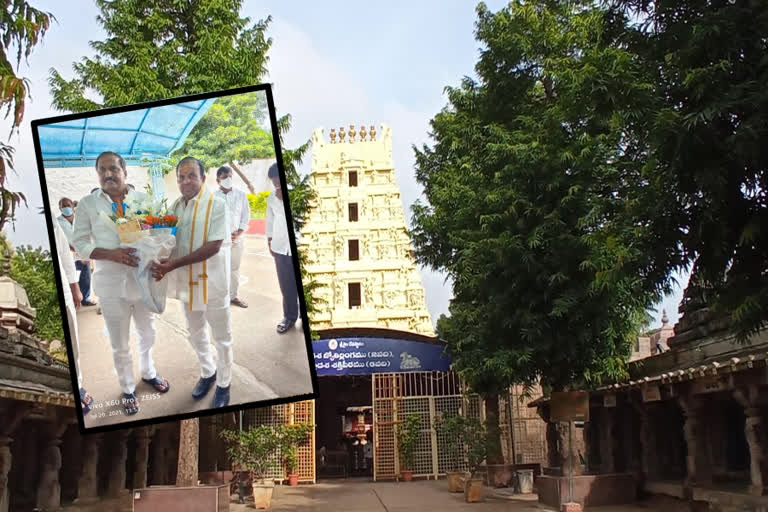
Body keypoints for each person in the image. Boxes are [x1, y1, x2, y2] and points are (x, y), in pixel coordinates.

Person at [72, 151, 170, 416]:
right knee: (120, 342)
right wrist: (111, 254)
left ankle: (148, 372)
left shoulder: (142, 200)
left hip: (142, 280)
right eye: (102, 170)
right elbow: (79, 243)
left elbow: (158, 233)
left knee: (147, 332)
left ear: (124, 172)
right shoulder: (87, 204)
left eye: (113, 169)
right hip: (110, 284)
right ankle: (128, 389)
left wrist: (158, 253)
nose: (107, 174)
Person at [151, 156, 233, 408]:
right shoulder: (176, 206)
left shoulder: (216, 205)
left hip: (212, 283)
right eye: (181, 177)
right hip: (188, 284)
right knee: (195, 331)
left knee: (221, 337)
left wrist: (172, 265)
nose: (186, 181)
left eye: (191, 176)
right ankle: (208, 372)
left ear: (203, 178)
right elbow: (165, 237)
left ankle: (224, 384)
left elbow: (213, 246)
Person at [53, 221, 93, 414]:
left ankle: (77, 385)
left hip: (66, 285)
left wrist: (74, 286)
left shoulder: (53, 220)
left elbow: (63, 251)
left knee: (73, 342)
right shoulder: (59, 219)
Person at [265, 163, 298, 334]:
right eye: (273, 182)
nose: (276, 184)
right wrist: (269, 241)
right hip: (279, 247)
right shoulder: (271, 197)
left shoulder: (297, 194)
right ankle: (289, 317)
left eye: (278, 180)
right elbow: (270, 220)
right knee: (286, 285)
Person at [215, 165, 250, 308]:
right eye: (225, 177)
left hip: (237, 240)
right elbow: (212, 220)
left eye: (230, 176)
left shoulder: (241, 195)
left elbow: (246, 216)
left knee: (234, 269)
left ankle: (234, 296)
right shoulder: (213, 198)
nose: (228, 179)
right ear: (218, 180)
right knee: (220, 269)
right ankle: (220, 297)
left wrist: (239, 233)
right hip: (220, 242)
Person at [57, 197, 96, 307]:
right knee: (73, 279)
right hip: (70, 254)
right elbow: (61, 240)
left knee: (86, 278)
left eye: (68, 205)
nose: (66, 208)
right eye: (63, 206)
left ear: (73, 207)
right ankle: (75, 302)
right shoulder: (58, 222)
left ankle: (85, 299)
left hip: (84, 253)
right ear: (59, 208)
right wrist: (73, 249)